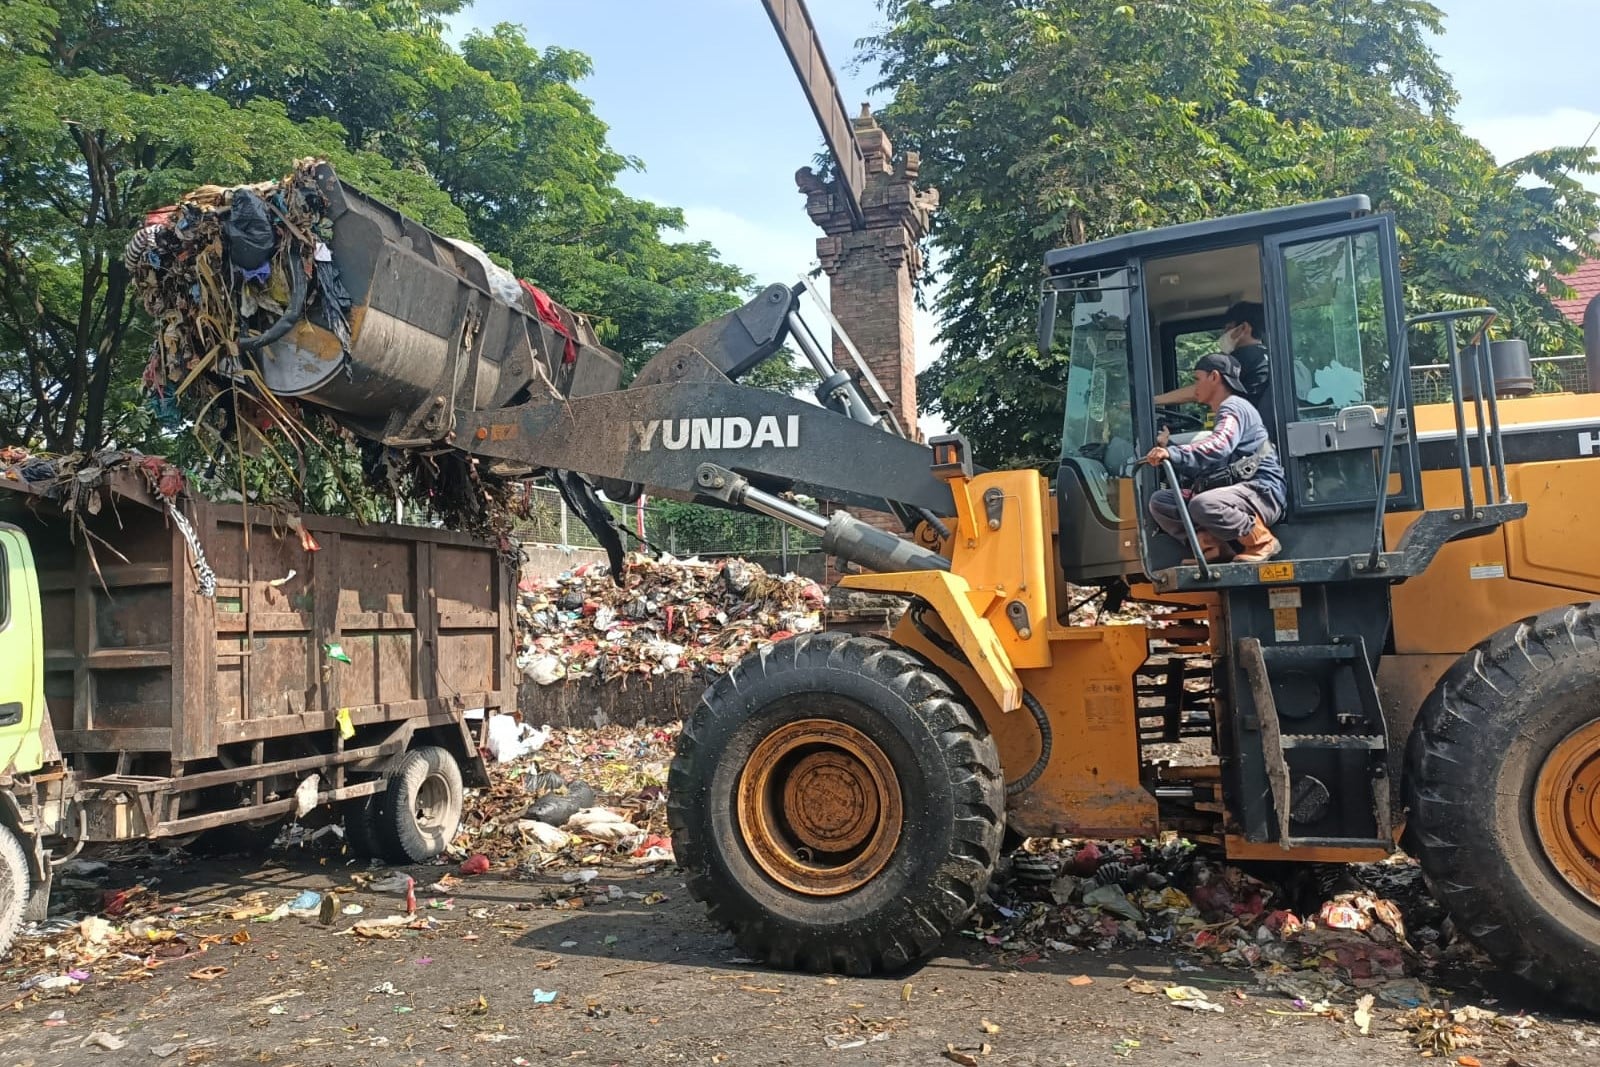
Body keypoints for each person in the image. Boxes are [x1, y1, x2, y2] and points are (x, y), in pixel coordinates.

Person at [1144, 352, 1285, 563]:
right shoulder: (1224, 412)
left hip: (1262, 490)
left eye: (1197, 379)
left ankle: (1263, 541)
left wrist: (1173, 453)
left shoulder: (1233, 407)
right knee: (1162, 501)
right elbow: (1210, 465)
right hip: (1235, 492)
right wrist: (1169, 446)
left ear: (1214, 377)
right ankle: (1213, 547)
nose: (1194, 387)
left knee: (1204, 504)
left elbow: (1220, 445)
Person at [1155, 301, 1274, 436]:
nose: (1224, 334)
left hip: (1244, 432)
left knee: (1172, 445)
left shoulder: (1242, 357)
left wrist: (1154, 400)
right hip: (1252, 428)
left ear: (1244, 328)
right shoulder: (1263, 355)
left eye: (1228, 328)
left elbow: (1200, 390)